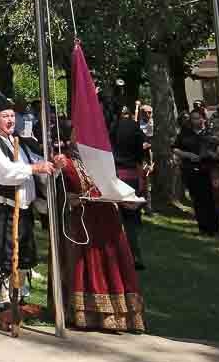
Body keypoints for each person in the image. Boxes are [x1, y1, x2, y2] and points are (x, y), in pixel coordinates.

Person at [0, 89, 56, 329]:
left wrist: (51, 166)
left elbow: (35, 166)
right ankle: (5, 306)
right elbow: (2, 173)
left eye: (12, 115)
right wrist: (34, 169)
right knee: (3, 258)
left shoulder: (17, 141)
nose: (10, 120)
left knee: (22, 259)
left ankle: (21, 301)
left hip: (21, 209)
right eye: (4, 116)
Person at [50, 148, 145, 332]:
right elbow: (57, 193)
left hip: (109, 218)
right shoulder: (66, 161)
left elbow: (114, 186)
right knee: (87, 266)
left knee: (114, 265)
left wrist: (125, 199)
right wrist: (71, 197)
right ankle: (86, 314)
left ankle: (120, 315)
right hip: (84, 221)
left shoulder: (105, 160)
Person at [111, 106, 151, 268]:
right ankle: (134, 256)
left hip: (116, 174)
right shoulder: (134, 128)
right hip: (132, 175)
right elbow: (141, 149)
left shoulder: (113, 127)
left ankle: (119, 257)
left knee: (117, 218)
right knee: (131, 219)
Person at [176, 109, 219, 235]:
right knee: (198, 200)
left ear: (203, 119)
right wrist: (188, 155)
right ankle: (203, 228)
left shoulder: (211, 133)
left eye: (197, 118)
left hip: (210, 169)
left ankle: (216, 228)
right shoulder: (185, 134)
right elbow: (176, 149)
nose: (195, 121)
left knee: (212, 199)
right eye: (193, 118)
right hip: (192, 170)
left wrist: (213, 154)